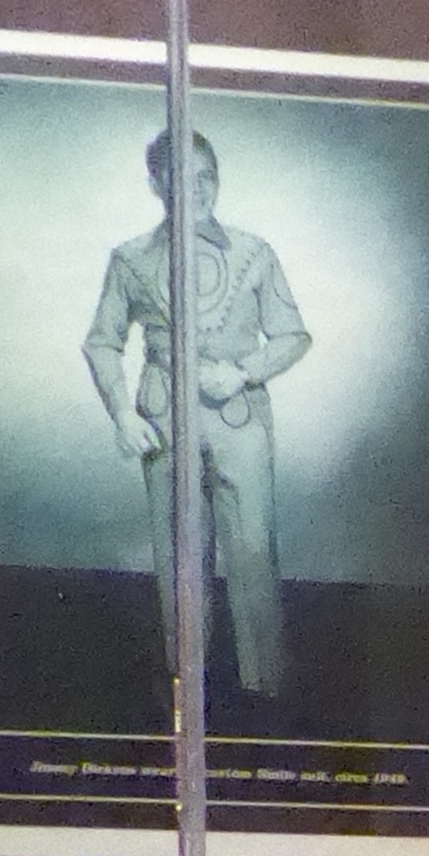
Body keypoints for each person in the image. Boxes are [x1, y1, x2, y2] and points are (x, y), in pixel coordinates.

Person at [83, 128, 312, 698]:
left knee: (253, 550)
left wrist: (244, 371)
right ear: (156, 184)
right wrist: (122, 413)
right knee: (178, 557)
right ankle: (189, 688)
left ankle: (266, 690)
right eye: (183, 178)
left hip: (240, 418)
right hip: (163, 419)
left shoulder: (255, 253)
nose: (198, 189)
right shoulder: (130, 260)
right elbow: (101, 342)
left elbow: (293, 335)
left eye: (207, 176)